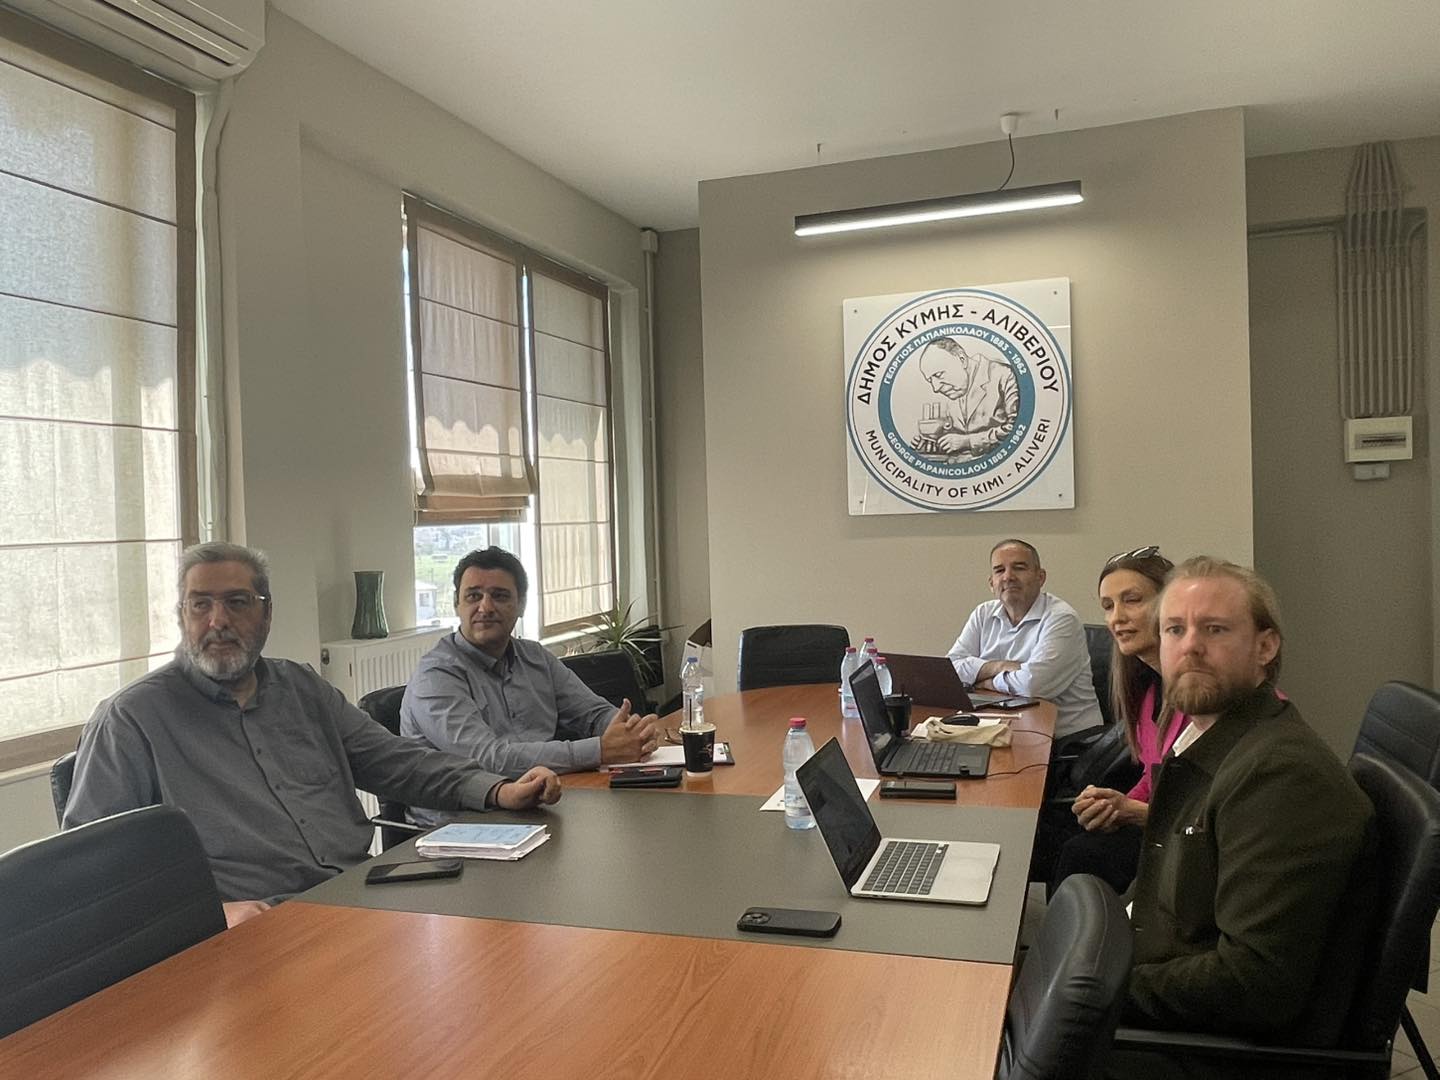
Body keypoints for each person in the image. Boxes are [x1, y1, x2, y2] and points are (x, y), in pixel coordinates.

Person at [64, 542, 561, 928]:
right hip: (251, 931)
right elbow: (92, 873)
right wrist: (209, 912)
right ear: (181, 616)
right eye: (200, 605)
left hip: (360, 897)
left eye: (237, 603)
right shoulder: (132, 719)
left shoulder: (300, 688)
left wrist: (496, 789)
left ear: (266, 613)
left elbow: (396, 762)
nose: (218, 621)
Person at [1108, 558, 1375, 1077]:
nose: (1190, 646)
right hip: (1168, 985)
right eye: (1175, 629)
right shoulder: (1211, 737)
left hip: (1220, 1052)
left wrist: (1101, 985)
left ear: (1265, 647)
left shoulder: (1282, 775)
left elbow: (1255, 983)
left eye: (1214, 629)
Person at [401, 547, 660, 814]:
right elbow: (490, 759)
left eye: (499, 596)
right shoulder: (435, 676)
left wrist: (631, 732)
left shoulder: (534, 657)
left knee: (644, 819)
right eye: (473, 596)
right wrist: (601, 750)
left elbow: (592, 713)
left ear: (522, 605)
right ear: (457, 604)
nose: (485, 607)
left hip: (544, 801)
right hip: (464, 821)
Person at [1046, 546, 1188, 896]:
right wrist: (1114, 804)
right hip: (1160, 820)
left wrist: (1132, 811)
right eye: (1108, 606)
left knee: (1081, 853)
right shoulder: (1149, 690)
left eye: (1132, 600)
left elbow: (1203, 814)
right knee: (1055, 832)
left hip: (1186, 842)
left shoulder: (1199, 697)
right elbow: (1152, 777)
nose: (1117, 618)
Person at [947, 539, 1103, 739]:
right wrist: (999, 666)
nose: (1008, 577)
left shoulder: (1062, 618)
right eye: (999, 570)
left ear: (1040, 577)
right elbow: (950, 669)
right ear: (991, 583)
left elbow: (1033, 685)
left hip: (1068, 741)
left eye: (1019, 568)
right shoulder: (983, 613)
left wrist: (987, 682)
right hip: (1005, 731)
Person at [913, 335, 1019, 457]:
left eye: (938, 375)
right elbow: (955, 439)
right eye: (930, 380)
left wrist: (968, 442)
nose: (936, 388)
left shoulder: (1003, 375)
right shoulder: (954, 392)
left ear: (962, 359)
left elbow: (1018, 430)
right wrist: (933, 444)